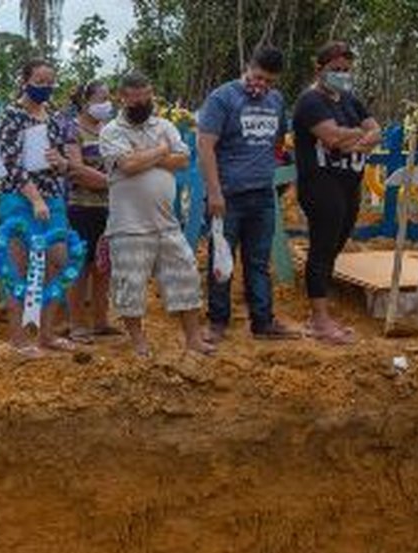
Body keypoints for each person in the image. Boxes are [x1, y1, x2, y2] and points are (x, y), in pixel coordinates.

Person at [100, 72, 214, 357]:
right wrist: (163, 150)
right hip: (128, 225)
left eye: (146, 96)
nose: (141, 102)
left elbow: (184, 158)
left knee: (185, 276)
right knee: (131, 286)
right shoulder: (111, 131)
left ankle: (193, 339)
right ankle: (138, 343)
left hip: (166, 223)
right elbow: (127, 165)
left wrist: (149, 155)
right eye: (134, 98)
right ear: (122, 98)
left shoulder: (164, 124)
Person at [197, 45, 301, 343]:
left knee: (258, 261)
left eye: (269, 81)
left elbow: (279, 141)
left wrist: (274, 173)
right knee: (222, 259)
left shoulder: (276, 100)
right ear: (247, 66)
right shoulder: (222, 98)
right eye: (258, 77)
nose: (262, 85)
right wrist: (214, 193)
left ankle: (262, 322)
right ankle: (217, 321)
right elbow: (205, 147)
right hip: (227, 195)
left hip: (262, 195)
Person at [293, 41, 381, 345]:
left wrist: (352, 138)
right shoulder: (310, 102)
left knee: (334, 247)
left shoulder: (349, 101)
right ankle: (319, 321)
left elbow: (376, 131)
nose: (342, 75)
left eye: (346, 70)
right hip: (320, 182)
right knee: (321, 247)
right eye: (336, 70)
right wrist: (357, 135)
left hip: (348, 182)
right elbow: (331, 137)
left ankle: (321, 315)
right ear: (320, 69)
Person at [0, 59, 75, 357]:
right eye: (39, 81)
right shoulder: (11, 115)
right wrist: (35, 199)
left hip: (52, 198)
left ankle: (47, 333)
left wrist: (62, 163)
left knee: (60, 260)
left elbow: (64, 159)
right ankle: (18, 338)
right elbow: (11, 164)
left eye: (49, 81)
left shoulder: (54, 116)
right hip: (19, 198)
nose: (45, 87)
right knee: (18, 266)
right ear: (25, 80)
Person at [64, 80, 117, 343]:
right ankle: (77, 324)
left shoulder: (109, 130)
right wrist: (112, 182)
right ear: (85, 102)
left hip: (109, 208)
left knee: (103, 265)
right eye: (101, 99)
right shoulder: (72, 130)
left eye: (108, 98)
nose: (107, 104)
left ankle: (100, 321)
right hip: (81, 208)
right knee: (80, 266)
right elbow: (75, 170)